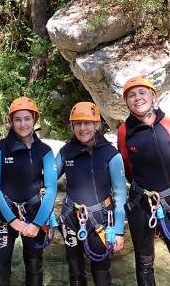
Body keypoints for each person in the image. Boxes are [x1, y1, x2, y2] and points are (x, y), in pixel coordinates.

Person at [117, 76, 170, 286]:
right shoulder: (124, 131)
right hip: (140, 205)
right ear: (126, 101)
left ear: (153, 95)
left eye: (142, 93)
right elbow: (128, 169)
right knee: (145, 267)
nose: (137, 98)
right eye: (131, 95)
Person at [0, 97, 58, 286]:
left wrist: (37, 223)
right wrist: (11, 219)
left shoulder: (44, 150)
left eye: (27, 118)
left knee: (34, 266)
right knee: (0, 268)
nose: (23, 124)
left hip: (34, 212)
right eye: (17, 119)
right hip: (3, 213)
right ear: (11, 121)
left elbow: (51, 189)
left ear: (34, 119)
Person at [56, 102, 126, 286]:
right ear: (72, 126)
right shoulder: (65, 152)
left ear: (97, 125)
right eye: (77, 123)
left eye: (88, 123)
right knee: (75, 271)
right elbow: (47, 182)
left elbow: (120, 195)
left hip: (100, 221)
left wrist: (118, 231)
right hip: (71, 219)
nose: (82, 128)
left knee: (101, 274)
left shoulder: (111, 154)